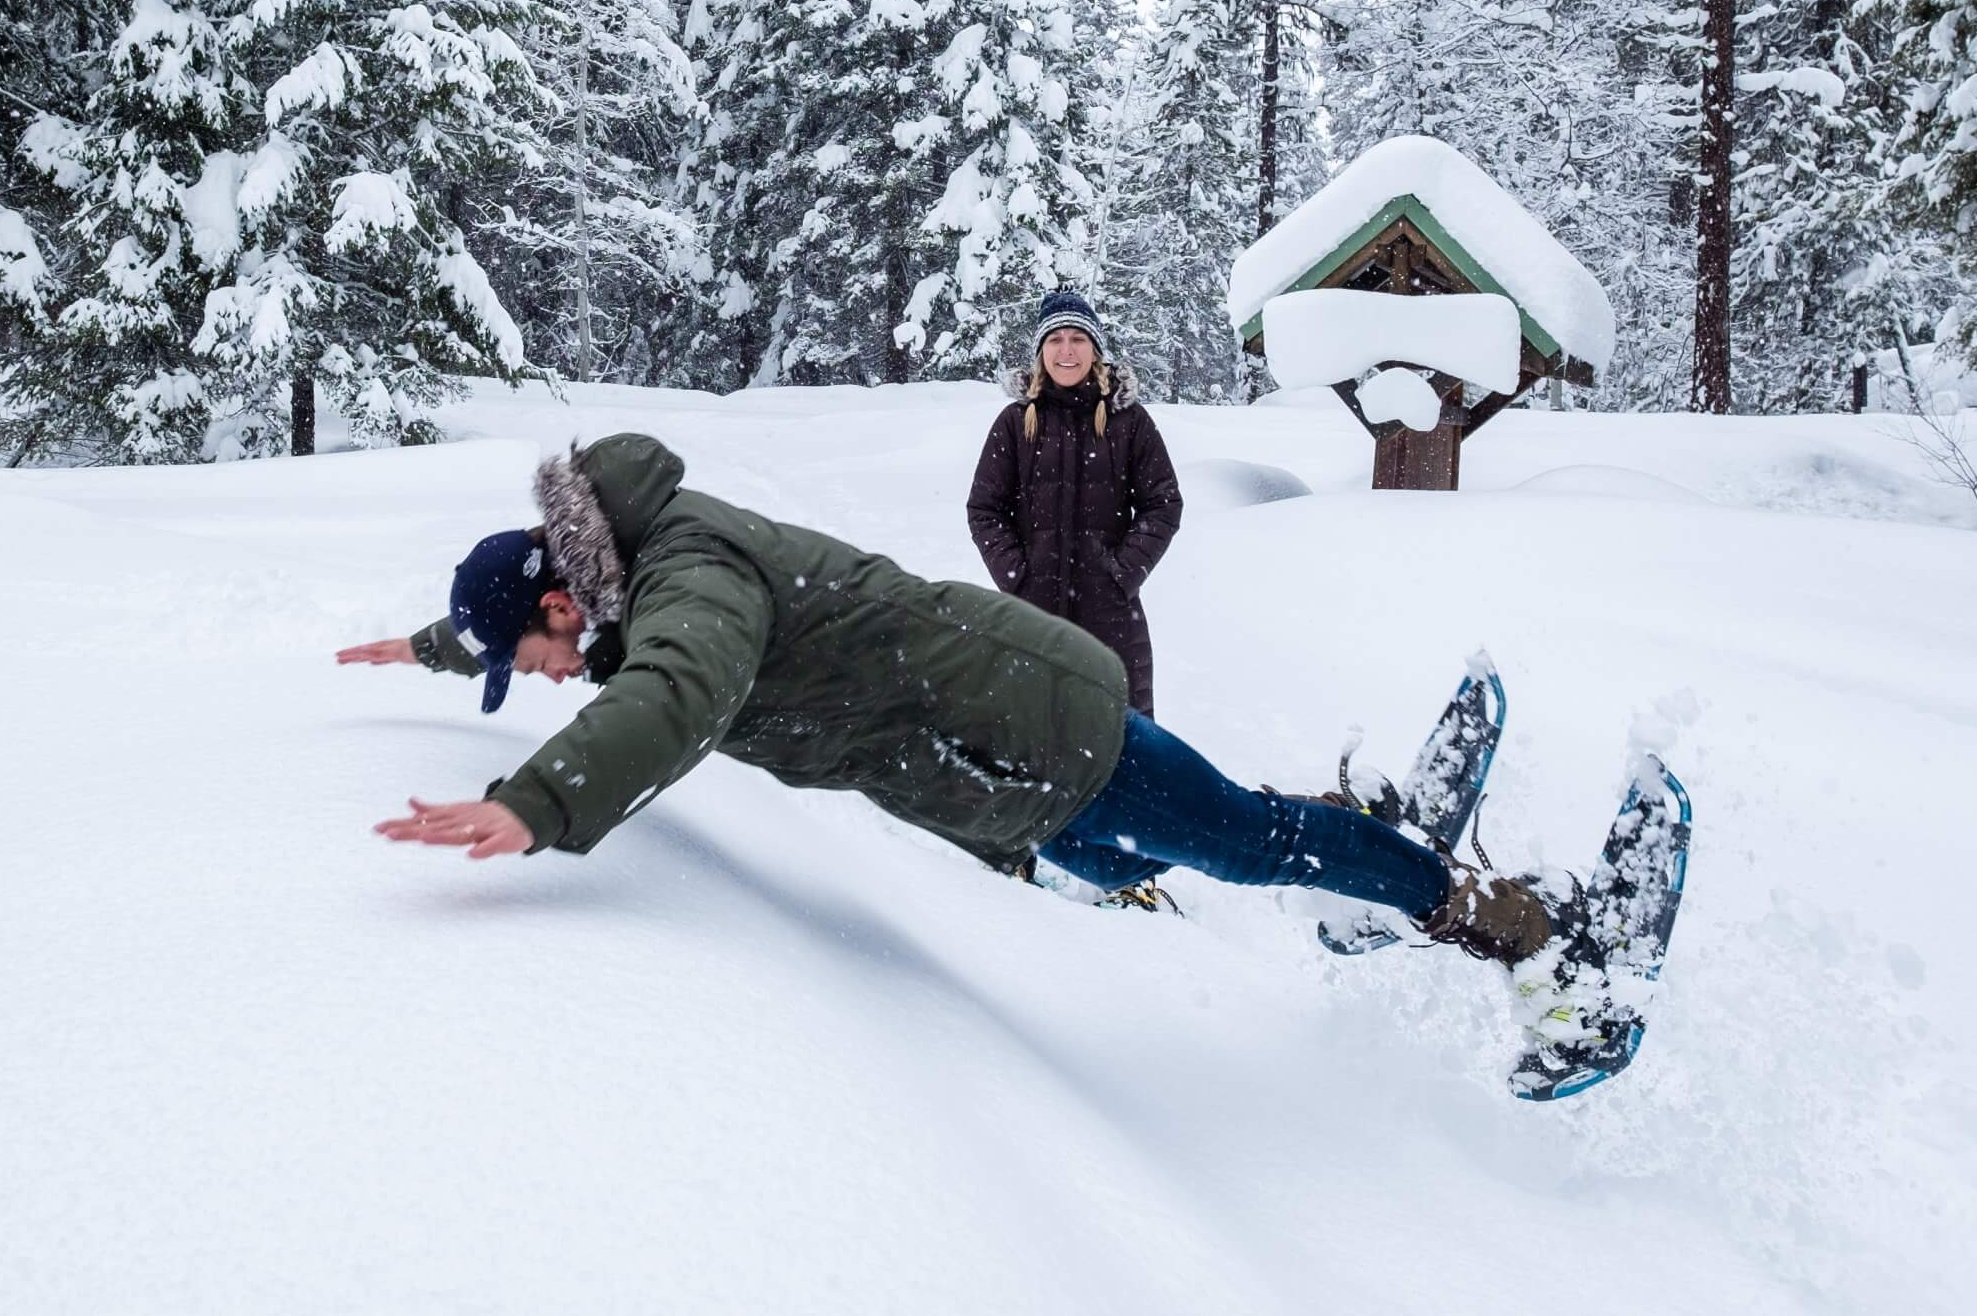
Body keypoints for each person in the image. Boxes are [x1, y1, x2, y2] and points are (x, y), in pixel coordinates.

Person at [341, 432, 1587, 996]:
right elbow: (579, 648)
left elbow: (678, 692)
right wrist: (434, 649)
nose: (551, 678)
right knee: (1132, 855)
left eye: (535, 658)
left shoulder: (689, 580)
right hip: (987, 770)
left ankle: (1496, 915)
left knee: (1243, 847)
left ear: (568, 595)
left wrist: (536, 803)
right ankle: (1350, 827)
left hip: (1031, 723)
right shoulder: (617, 583)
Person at [967, 291, 1183, 720]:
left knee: (1122, 742)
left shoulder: (1129, 422)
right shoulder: (1015, 422)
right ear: (1041, 351)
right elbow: (984, 509)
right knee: (1031, 738)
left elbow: (1163, 504)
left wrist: (1120, 574)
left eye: (1078, 339)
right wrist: (1017, 576)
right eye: (1056, 339)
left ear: (1095, 349)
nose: (1067, 350)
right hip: (1032, 614)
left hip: (1112, 618)